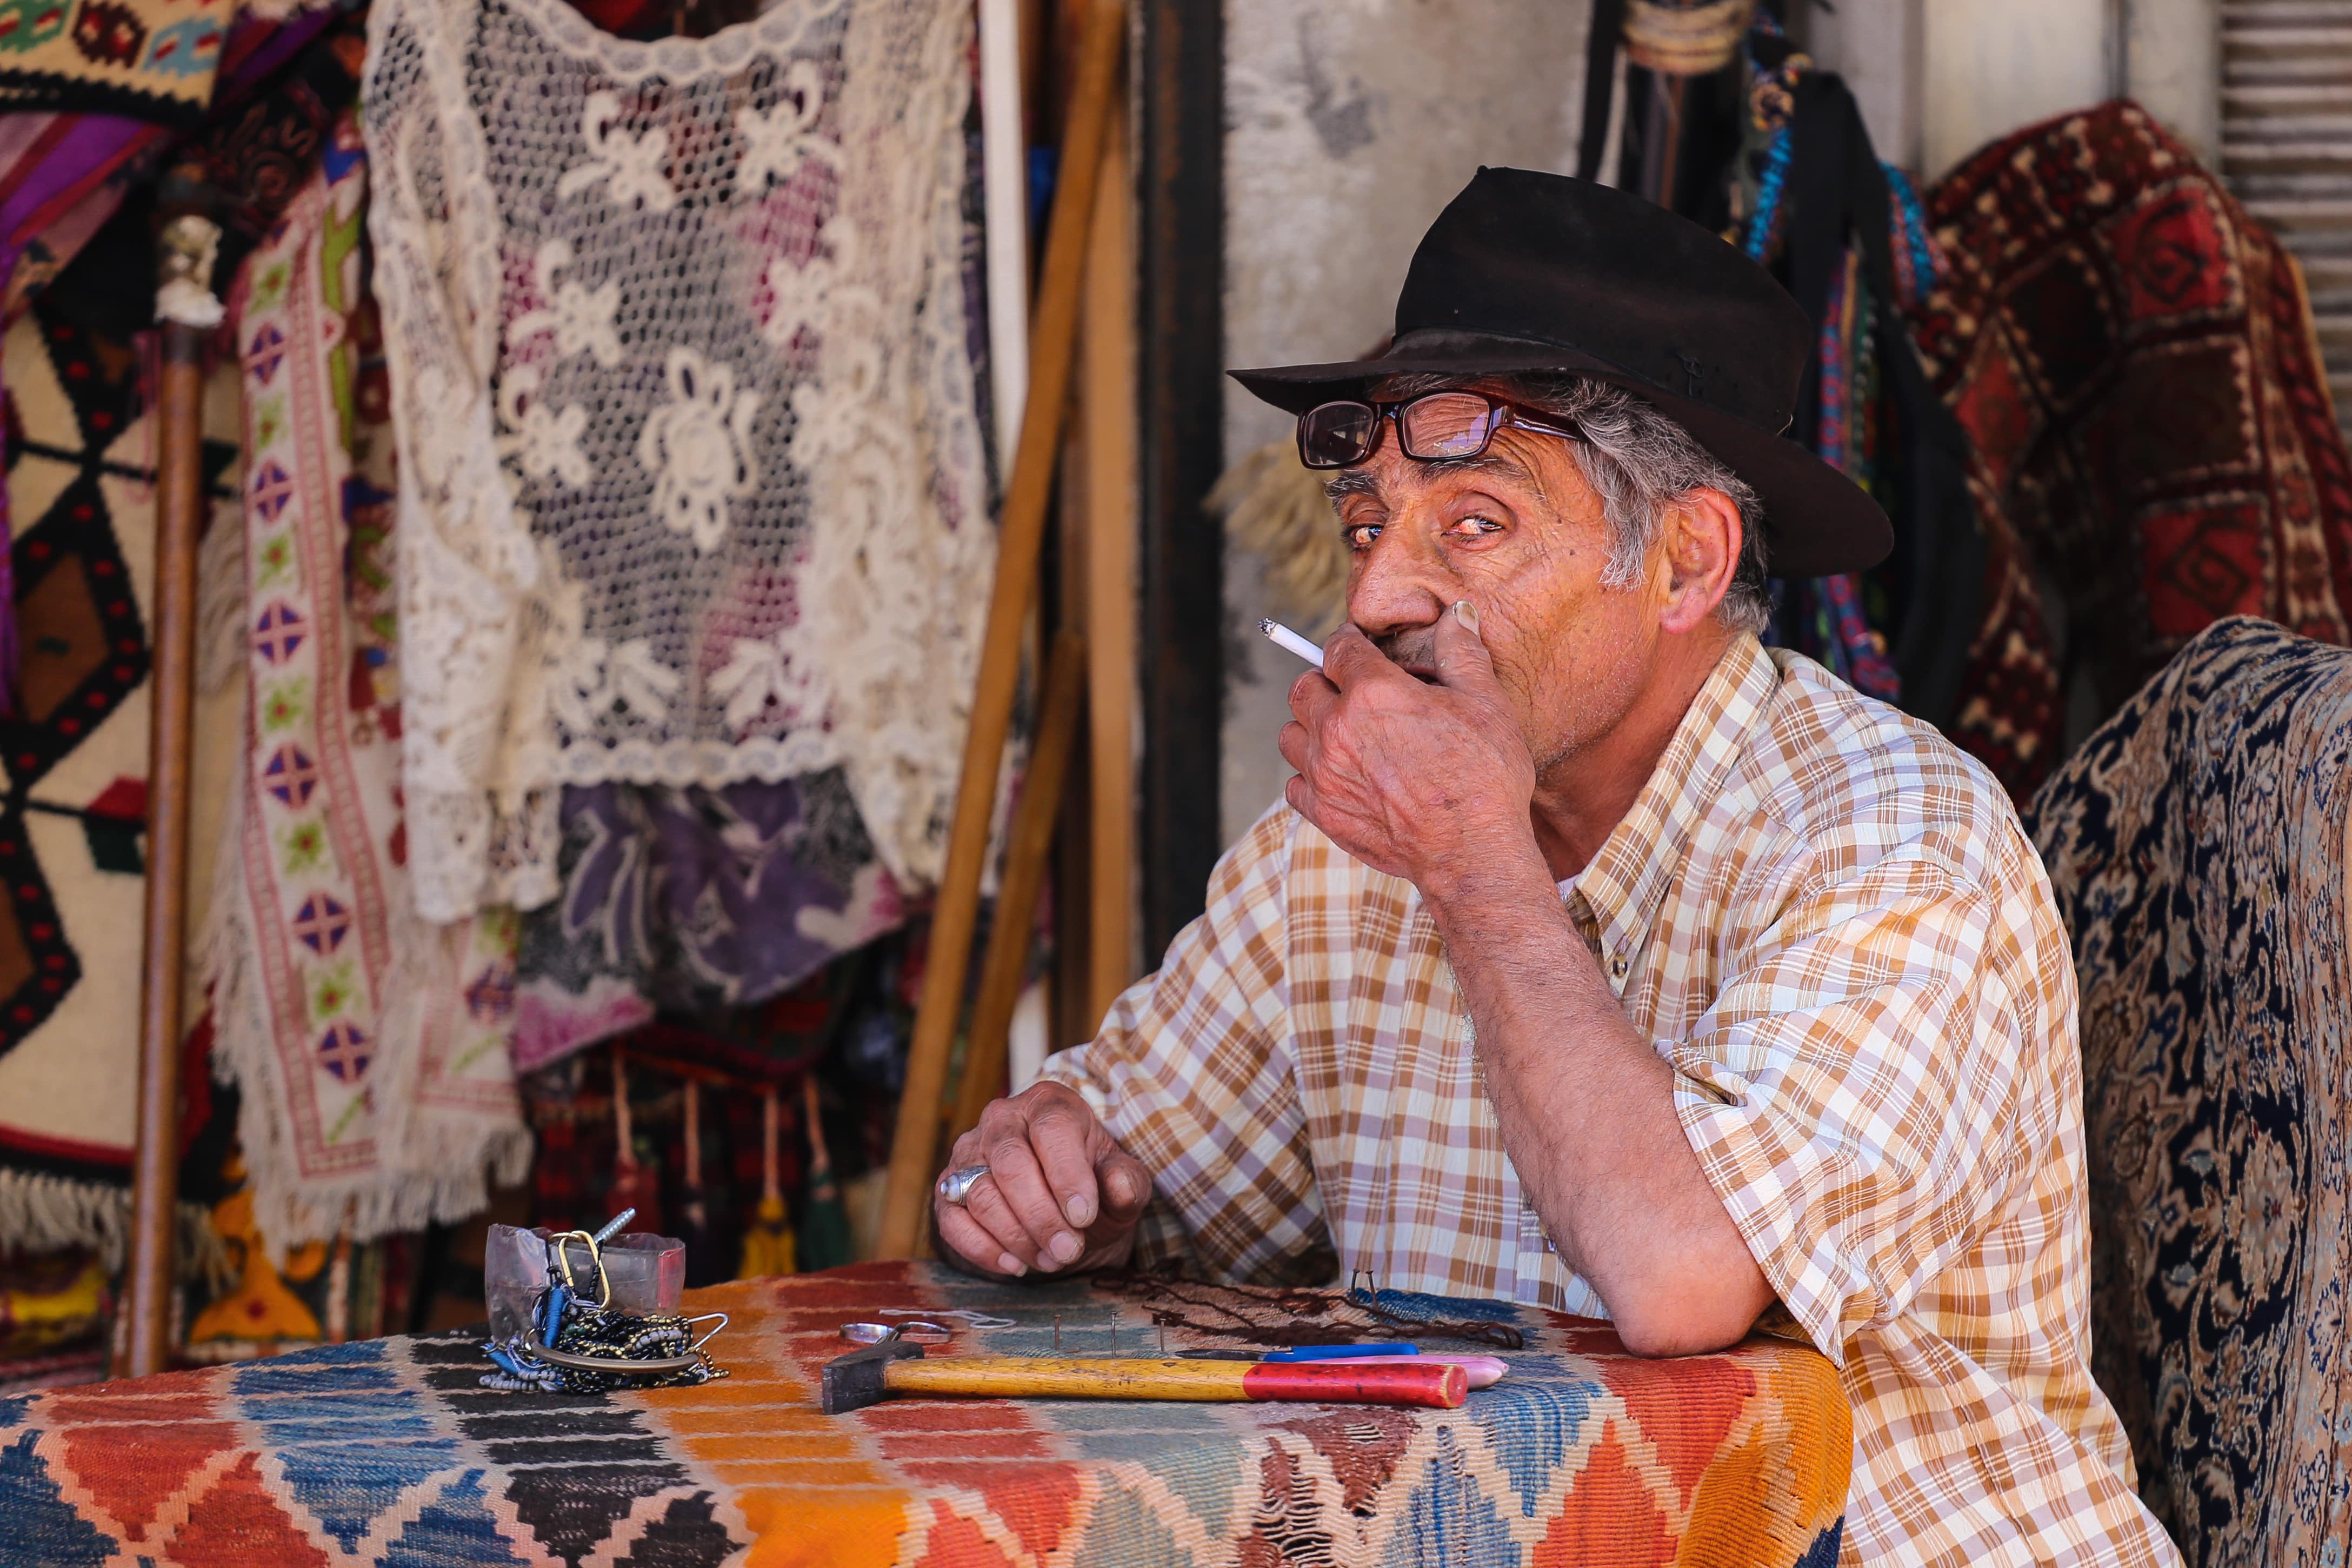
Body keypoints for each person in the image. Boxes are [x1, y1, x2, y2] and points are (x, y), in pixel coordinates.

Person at [931, 168, 2177, 1564]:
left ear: (1686, 563)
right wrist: (1049, 1191)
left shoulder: (1896, 843)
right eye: (1369, 526)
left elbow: (1679, 1275)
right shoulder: (1346, 853)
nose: (1378, 599)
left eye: (1473, 526)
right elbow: (1121, 1174)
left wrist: (1475, 865)